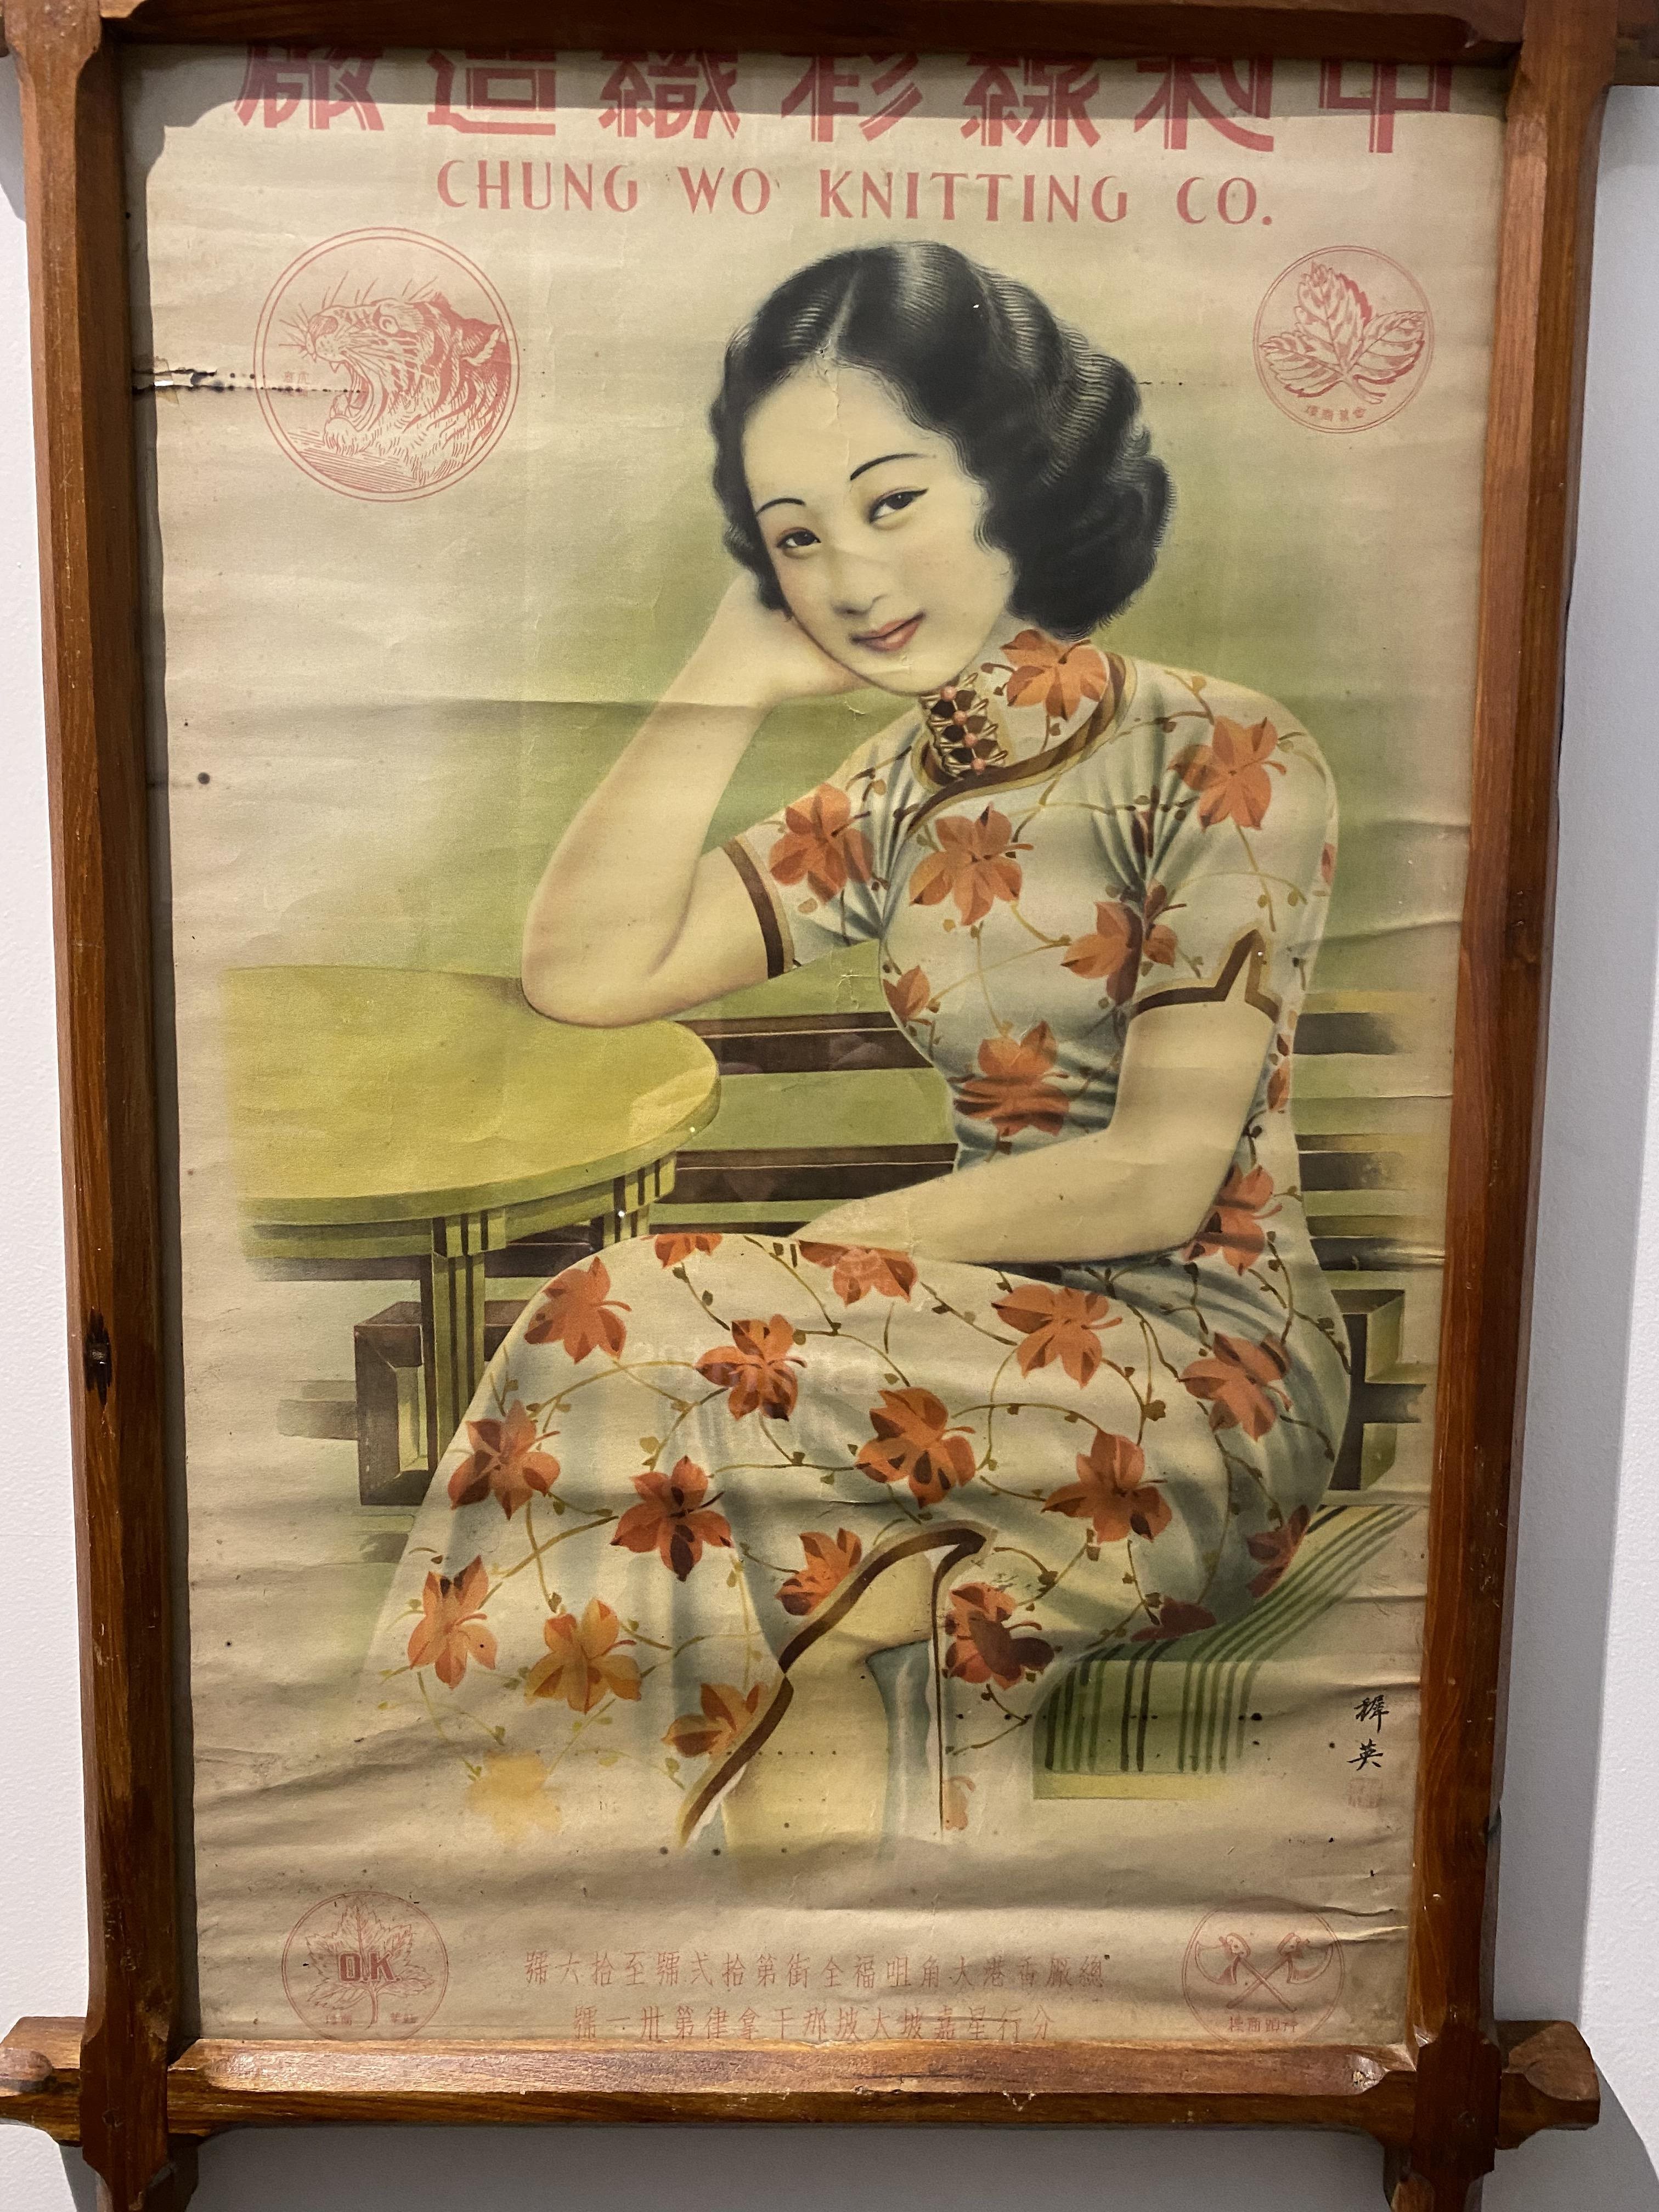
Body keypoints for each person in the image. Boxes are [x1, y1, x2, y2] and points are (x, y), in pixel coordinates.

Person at [365, 241, 1350, 1860]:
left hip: (1202, 1379)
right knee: (687, 1416)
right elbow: (588, 970)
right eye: (797, 535)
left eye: (892, 503)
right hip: (940, 1354)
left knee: (635, 1313)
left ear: (1016, 477)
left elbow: (1158, 1175)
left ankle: (478, 1839)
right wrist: (729, 674)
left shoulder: (1222, 749)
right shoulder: (901, 789)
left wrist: (828, 1255)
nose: (850, 574)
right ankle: (535, 1852)